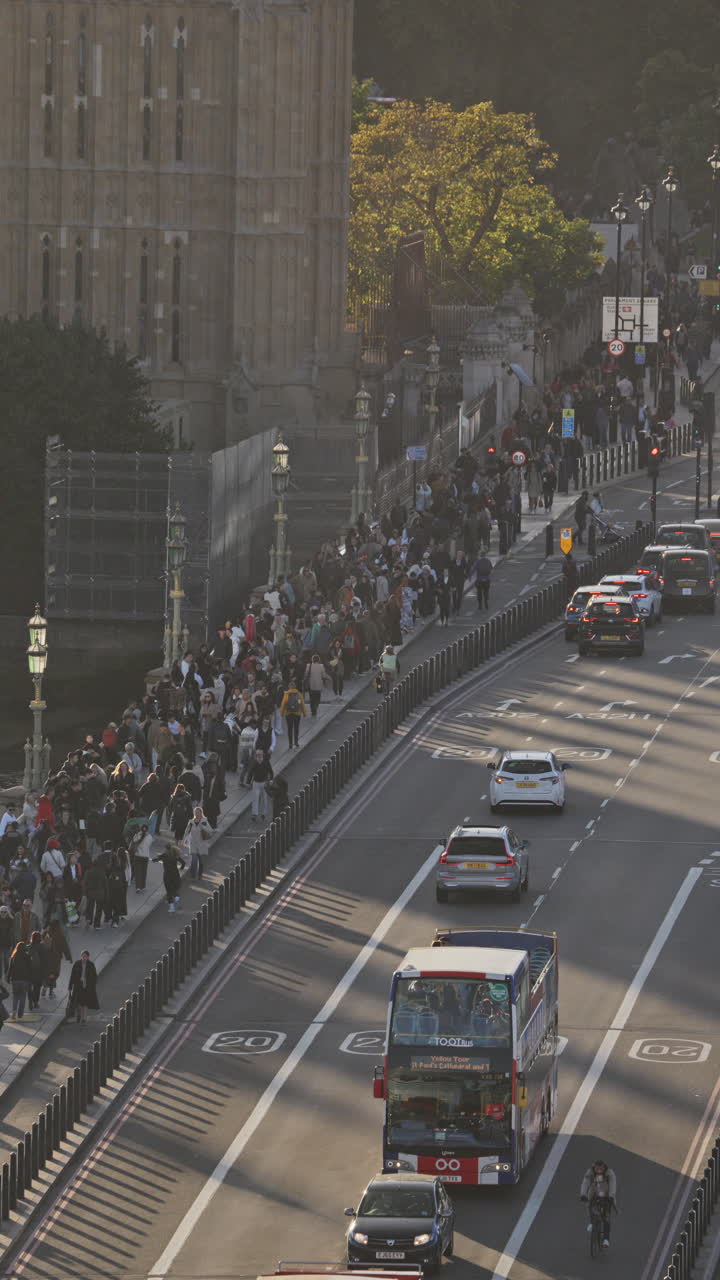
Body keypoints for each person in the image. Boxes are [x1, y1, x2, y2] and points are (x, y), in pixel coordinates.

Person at [580, 1159, 617, 1248]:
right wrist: (583, 1194)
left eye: (601, 1169)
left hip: (607, 1195)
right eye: (597, 1169)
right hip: (595, 1193)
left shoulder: (609, 1173)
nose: (599, 1171)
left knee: (606, 1217)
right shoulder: (590, 1172)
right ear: (594, 1167)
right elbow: (586, 1182)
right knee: (590, 1205)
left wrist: (611, 1195)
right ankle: (592, 1222)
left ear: (604, 1167)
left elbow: (613, 1184)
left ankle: (606, 1240)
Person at [68, 950, 99, 1024]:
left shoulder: (91, 965)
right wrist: (70, 986)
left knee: (84, 1003)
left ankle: (84, 1019)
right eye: (82, 956)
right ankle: (79, 1014)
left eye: (85, 956)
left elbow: (94, 976)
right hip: (78, 986)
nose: (83, 958)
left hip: (86, 987)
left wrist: (91, 985)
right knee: (78, 1002)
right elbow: (72, 975)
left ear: (88, 957)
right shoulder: (77, 964)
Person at [152, 843, 186, 912]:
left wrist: (155, 858)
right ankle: (176, 897)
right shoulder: (175, 855)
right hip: (176, 875)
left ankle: (172, 907)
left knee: (169, 891)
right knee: (173, 890)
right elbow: (183, 863)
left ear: (165, 849)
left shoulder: (164, 855)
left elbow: (155, 860)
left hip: (167, 876)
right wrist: (181, 868)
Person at [182, 805, 212, 879]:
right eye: (195, 812)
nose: (197, 814)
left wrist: (203, 827)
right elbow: (186, 831)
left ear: (201, 813)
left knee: (201, 862)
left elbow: (210, 831)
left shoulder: (204, 821)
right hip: (193, 844)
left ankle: (200, 875)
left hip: (202, 844)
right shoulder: (191, 822)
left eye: (198, 812)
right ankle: (193, 876)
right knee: (194, 861)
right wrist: (183, 840)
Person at [247, 749, 274, 822]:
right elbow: (250, 772)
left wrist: (271, 780)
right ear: (256, 755)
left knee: (264, 799)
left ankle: (263, 813)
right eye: (257, 755)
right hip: (256, 782)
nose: (259, 756)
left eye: (260, 754)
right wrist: (249, 783)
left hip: (264, 783)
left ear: (262, 755)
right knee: (255, 798)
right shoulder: (254, 762)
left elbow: (271, 771)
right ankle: (254, 814)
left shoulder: (266, 762)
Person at [7, 940, 31, 1021]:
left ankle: (13, 1012)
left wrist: (8, 978)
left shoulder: (13, 957)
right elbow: (30, 968)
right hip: (24, 980)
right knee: (23, 996)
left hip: (15, 979)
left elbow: (10, 969)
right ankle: (20, 1014)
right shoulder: (27, 956)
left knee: (15, 997)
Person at [280, 680, 307, 748]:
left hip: (288, 714)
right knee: (296, 728)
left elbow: (283, 704)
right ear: (295, 687)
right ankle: (296, 742)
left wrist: (282, 713)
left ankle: (290, 744)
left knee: (289, 729)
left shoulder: (286, 694)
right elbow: (302, 704)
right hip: (297, 713)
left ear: (289, 687)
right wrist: (304, 713)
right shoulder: (298, 694)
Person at [129, 823, 153, 892]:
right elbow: (149, 845)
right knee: (144, 872)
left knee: (138, 872)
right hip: (146, 856)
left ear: (141, 828)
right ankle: (143, 886)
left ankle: (138, 887)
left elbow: (133, 842)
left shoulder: (137, 835)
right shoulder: (150, 837)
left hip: (138, 855)